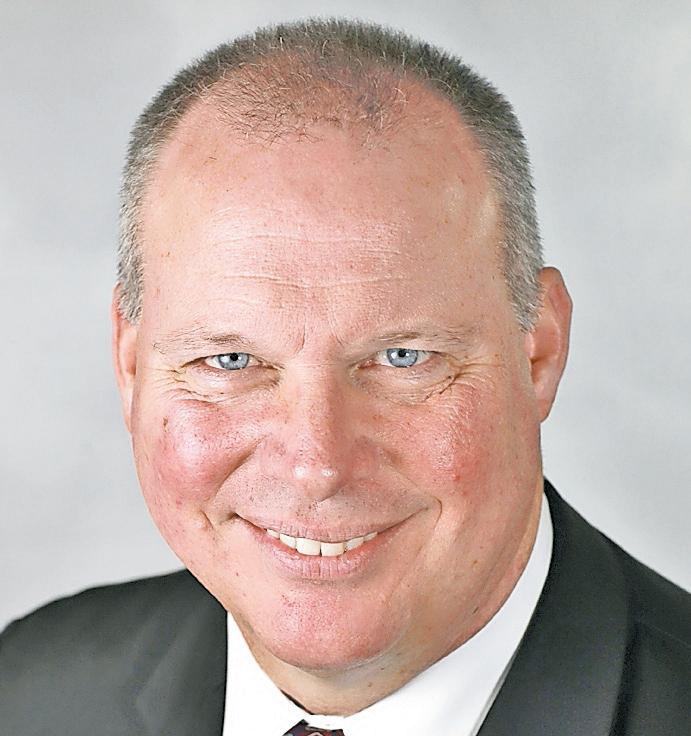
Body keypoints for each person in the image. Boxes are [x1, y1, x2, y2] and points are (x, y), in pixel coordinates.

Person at [1, 17, 689, 736]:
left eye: (401, 358)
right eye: (231, 361)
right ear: (131, 365)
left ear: (538, 352)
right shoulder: (31, 691)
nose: (316, 466)